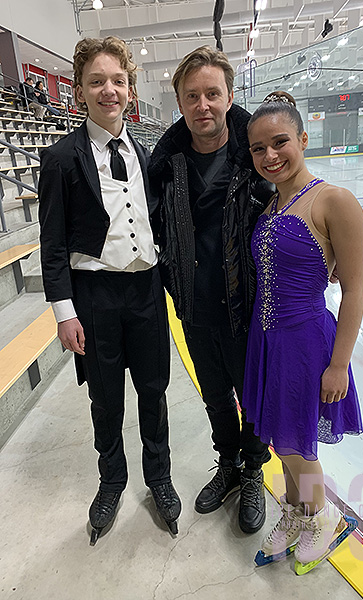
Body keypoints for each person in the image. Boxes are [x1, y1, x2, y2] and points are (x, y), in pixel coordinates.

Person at [38, 36, 181, 544]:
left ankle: (158, 477)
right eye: (96, 81)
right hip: (94, 298)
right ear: (79, 91)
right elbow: (51, 244)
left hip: (146, 290)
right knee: (105, 399)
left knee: (154, 391)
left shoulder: (146, 154)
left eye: (117, 80)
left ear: (131, 88)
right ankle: (112, 479)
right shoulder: (60, 159)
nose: (109, 90)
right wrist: (63, 312)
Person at [149, 46, 273, 534]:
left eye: (212, 94)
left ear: (229, 96)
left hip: (249, 307)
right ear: (180, 102)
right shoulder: (167, 165)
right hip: (195, 308)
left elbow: (296, 206)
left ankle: (253, 472)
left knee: (254, 397)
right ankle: (227, 464)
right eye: (192, 96)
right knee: (216, 397)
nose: (203, 105)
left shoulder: (255, 158)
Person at [243, 91, 363, 570]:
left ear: (303, 139)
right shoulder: (272, 207)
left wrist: (339, 364)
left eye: (280, 142)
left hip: (306, 342)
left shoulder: (334, 200)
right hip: (267, 341)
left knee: (296, 444)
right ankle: (296, 514)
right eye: (259, 148)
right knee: (281, 440)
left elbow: (354, 290)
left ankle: (326, 518)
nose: (270, 155)